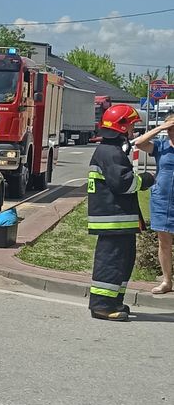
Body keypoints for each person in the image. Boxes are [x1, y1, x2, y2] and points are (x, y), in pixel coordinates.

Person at [88, 104, 156, 321]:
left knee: (123, 261)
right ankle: (101, 306)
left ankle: (114, 300)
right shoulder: (110, 152)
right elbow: (123, 183)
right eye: (132, 126)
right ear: (122, 127)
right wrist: (144, 180)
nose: (134, 132)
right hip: (112, 220)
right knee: (111, 261)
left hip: (117, 220)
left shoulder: (111, 150)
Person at [133, 116, 174, 294]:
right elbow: (140, 143)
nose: (172, 133)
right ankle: (166, 281)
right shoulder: (161, 145)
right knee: (164, 242)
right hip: (162, 199)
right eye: (170, 129)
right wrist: (161, 127)